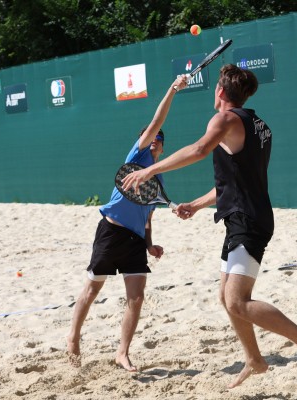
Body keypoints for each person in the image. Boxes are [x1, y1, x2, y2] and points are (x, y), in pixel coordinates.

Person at [121, 64, 297, 387]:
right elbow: (236, 182)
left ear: (219, 92)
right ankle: (254, 359)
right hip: (241, 216)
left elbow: (199, 149)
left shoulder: (225, 119)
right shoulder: (259, 125)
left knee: (236, 301)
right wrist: (197, 205)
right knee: (225, 297)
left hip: (248, 219)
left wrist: (149, 170)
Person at [66, 74, 188, 371]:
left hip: (134, 240)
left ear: (163, 147)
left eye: (159, 139)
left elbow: (147, 216)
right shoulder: (138, 154)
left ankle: (122, 352)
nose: (155, 139)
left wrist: (149, 245)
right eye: (151, 136)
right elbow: (157, 121)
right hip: (111, 231)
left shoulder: (158, 177)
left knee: (137, 297)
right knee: (92, 290)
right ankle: (73, 337)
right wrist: (173, 88)